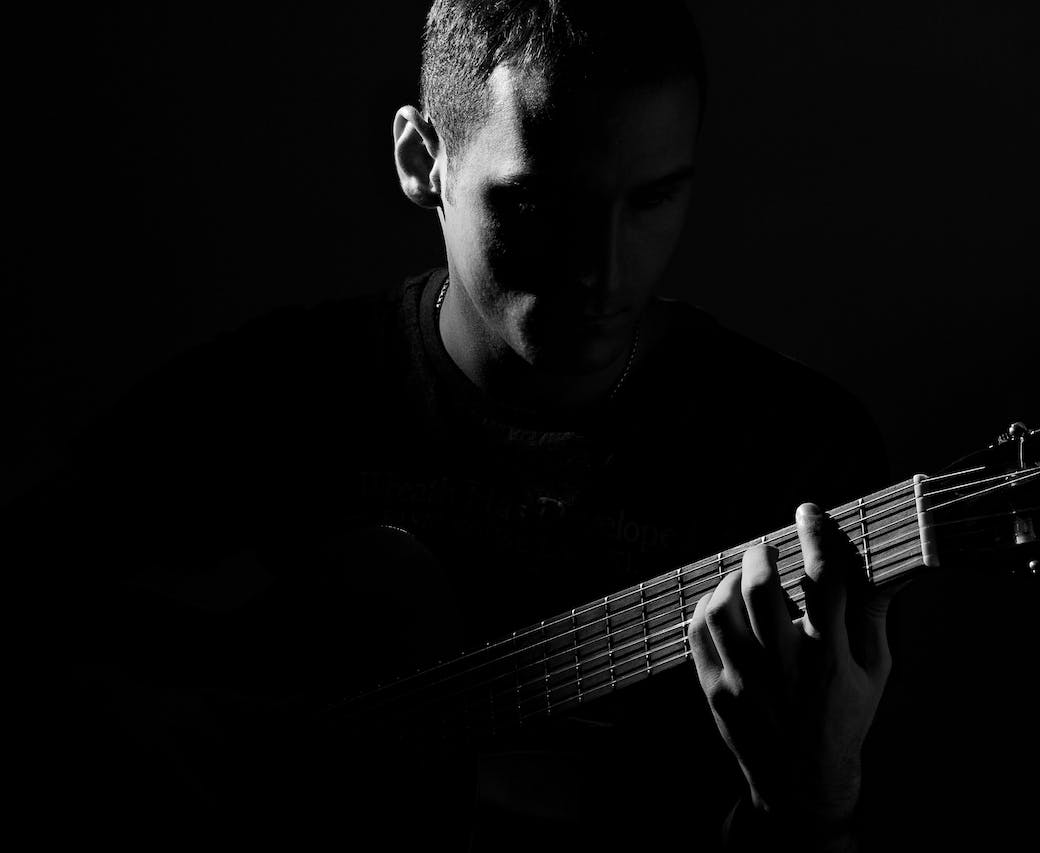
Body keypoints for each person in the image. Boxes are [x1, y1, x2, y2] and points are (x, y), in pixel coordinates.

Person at [22, 1, 896, 849]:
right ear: (421, 159)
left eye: (654, 199)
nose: (602, 270)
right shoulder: (277, 397)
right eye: (540, 205)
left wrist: (811, 810)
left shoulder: (794, 461)